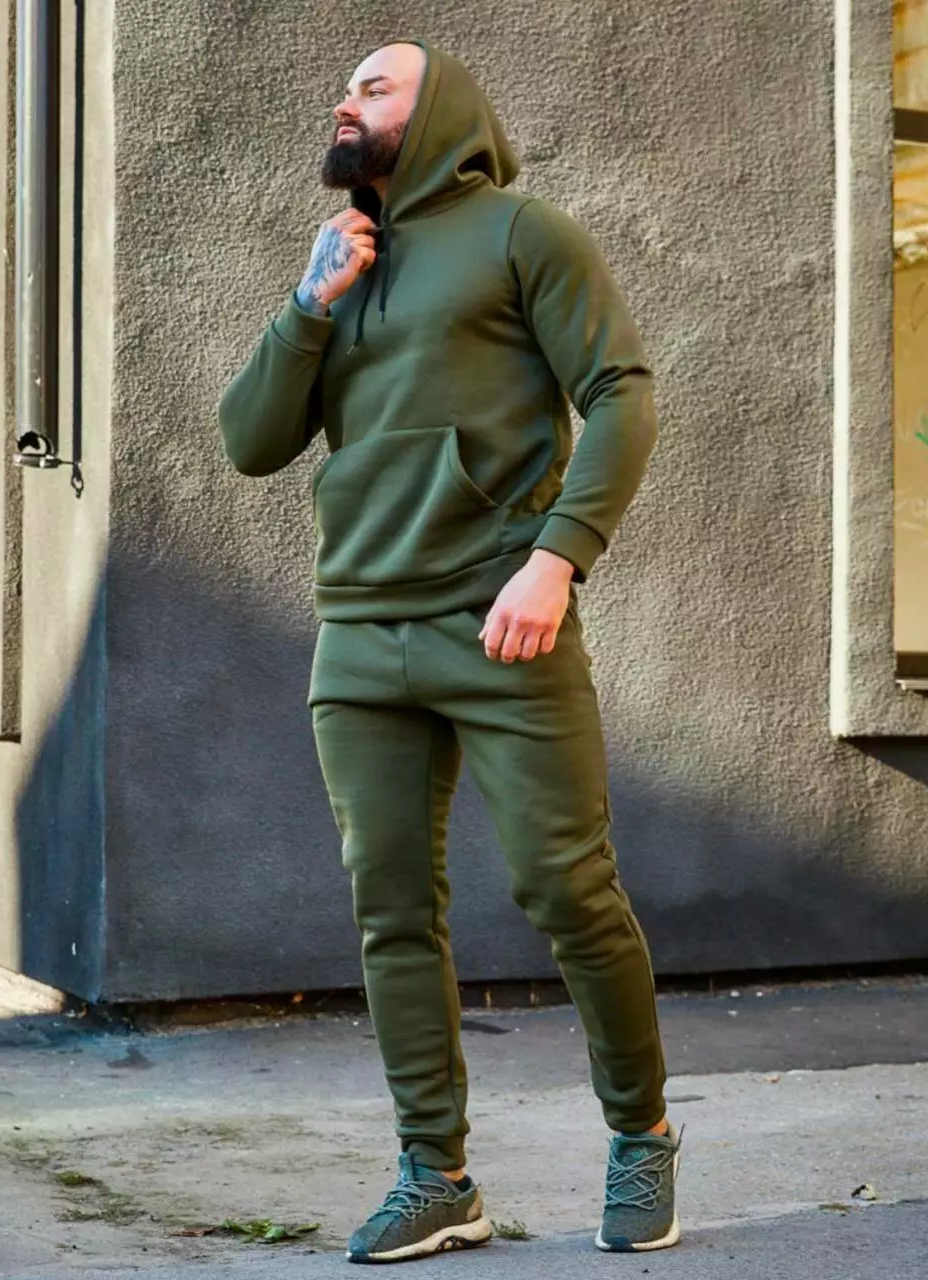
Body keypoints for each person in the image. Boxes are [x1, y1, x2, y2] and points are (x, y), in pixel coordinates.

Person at [218, 37, 680, 1265]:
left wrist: (556, 557)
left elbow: (622, 390)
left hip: (500, 617)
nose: (345, 100)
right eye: (345, 87)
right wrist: (307, 307)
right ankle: (437, 1176)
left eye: (373, 85)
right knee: (388, 910)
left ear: (441, 111)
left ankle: (641, 1136)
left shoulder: (524, 233)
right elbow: (249, 443)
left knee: (566, 887)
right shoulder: (341, 262)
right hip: (359, 633)